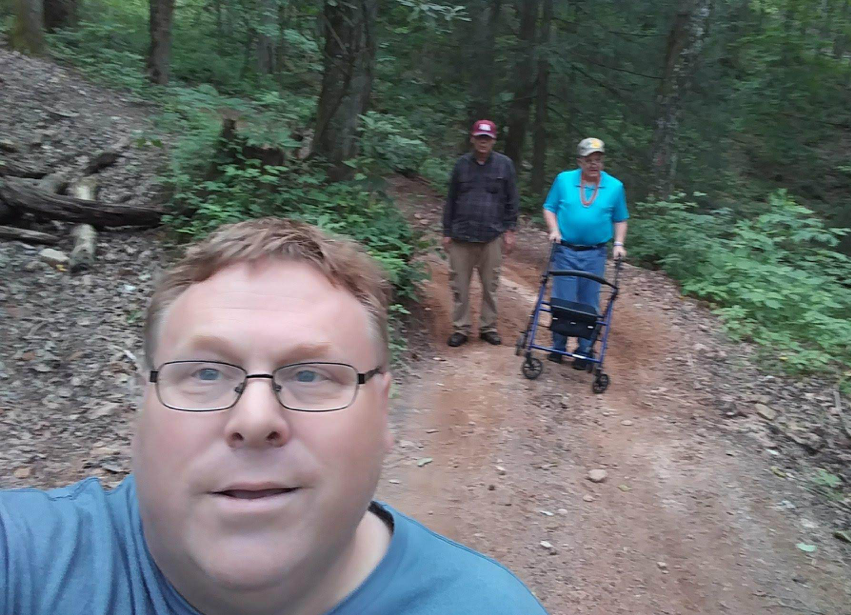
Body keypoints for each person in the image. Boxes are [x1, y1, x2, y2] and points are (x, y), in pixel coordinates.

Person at [0, 218, 548, 615]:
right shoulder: (28, 559)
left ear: (384, 413)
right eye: (206, 373)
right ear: (141, 405)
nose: (256, 418)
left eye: (310, 375)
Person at [543, 138, 629, 370]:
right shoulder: (564, 180)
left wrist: (618, 243)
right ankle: (558, 347)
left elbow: (620, 218)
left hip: (595, 254)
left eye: (598, 159)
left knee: (588, 303)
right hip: (565, 250)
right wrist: (554, 230)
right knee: (563, 300)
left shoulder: (615, 186)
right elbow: (549, 207)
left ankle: (584, 350)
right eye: (589, 160)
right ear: (580, 161)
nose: (594, 164)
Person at [441, 119, 519, 348]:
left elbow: (512, 199)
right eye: (479, 138)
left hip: (492, 235)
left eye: (487, 138)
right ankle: (461, 328)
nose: (483, 142)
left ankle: (488, 327)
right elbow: (451, 200)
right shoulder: (461, 164)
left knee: (490, 285)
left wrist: (510, 230)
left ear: (493, 141)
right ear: (472, 139)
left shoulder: (505, 165)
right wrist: (446, 231)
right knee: (459, 285)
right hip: (461, 235)